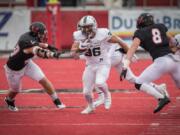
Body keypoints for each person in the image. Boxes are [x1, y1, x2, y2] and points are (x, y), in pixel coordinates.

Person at [120, 13, 180, 113]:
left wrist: (125, 65)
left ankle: (161, 98)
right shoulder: (161, 26)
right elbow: (173, 42)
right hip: (175, 61)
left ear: (141, 22)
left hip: (161, 62)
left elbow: (133, 48)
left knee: (138, 83)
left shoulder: (140, 32)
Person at [71, 15, 129, 114]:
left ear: (94, 26)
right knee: (86, 92)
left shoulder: (102, 33)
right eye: (84, 27)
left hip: (103, 63)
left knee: (99, 82)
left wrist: (129, 54)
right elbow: (73, 54)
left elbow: (119, 41)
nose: (86, 29)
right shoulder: (78, 35)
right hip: (90, 65)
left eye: (88, 26)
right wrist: (80, 48)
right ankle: (91, 107)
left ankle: (107, 95)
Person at [4, 22, 66, 111]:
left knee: (43, 79)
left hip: (27, 63)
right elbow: (39, 52)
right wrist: (52, 54)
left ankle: (57, 102)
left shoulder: (31, 36)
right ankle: (9, 100)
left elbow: (37, 43)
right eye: (42, 33)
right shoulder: (25, 41)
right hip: (14, 69)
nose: (43, 35)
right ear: (36, 33)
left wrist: (48, 46)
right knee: (15, 90)